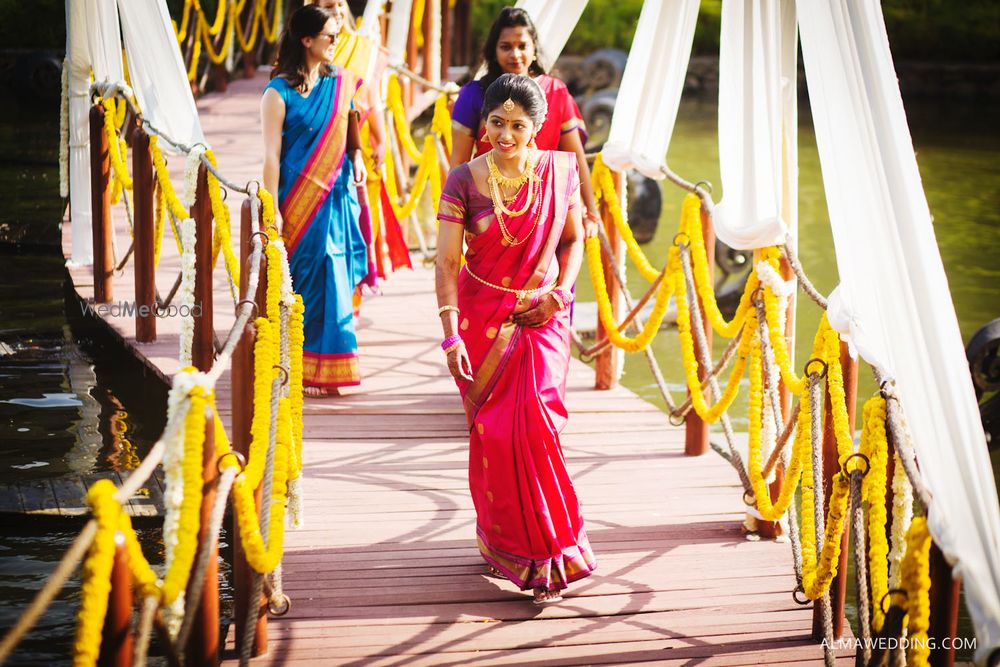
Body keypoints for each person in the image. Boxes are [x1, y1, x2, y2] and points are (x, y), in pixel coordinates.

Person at [435, 74, 596, 604]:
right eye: (497, 123)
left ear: (537, 126)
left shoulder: (560, 171)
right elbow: (445, 261)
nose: (505, 135)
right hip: (481, 318)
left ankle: (554, 551)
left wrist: (560, 296)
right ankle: (506, 543)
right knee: (495, 436)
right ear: (485, 122)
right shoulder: (462, 180)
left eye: (518, 125)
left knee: (539, 428)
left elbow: (572, 242)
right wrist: (449, 333)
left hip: (542, 314)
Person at [261, 4, 369, 397]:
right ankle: (299, 366)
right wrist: (270, 204)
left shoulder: (343, 83)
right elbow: (271, 154)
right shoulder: (278, 93)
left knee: (335, 275)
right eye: (329, 36)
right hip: (296, 198)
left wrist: (357, 160)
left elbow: (352, 134)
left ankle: (332, 369)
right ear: (307, 40)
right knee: (304, 279)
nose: (336, 42)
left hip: (337, 195)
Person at [450, 6, 601, 227]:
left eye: (522, 46)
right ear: (493, 51)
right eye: (506, 47)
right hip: (490, 211)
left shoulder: (556, 91)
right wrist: (453, 221)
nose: (515, 54)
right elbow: (459, 164)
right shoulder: (474, 94)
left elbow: (575, 159)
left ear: (534, 49)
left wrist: (591, 212)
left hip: (546, 209)